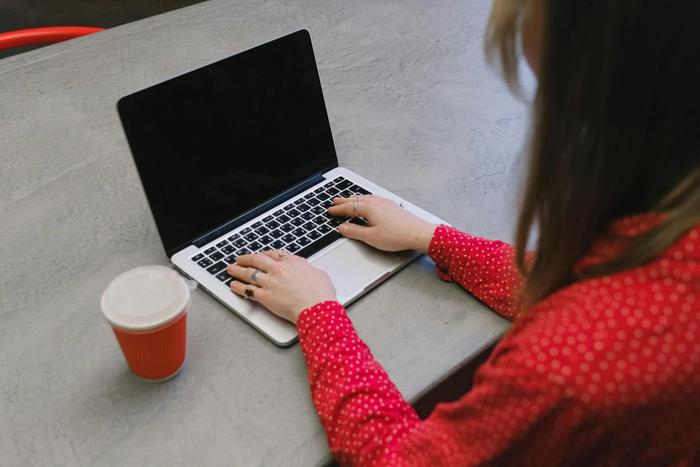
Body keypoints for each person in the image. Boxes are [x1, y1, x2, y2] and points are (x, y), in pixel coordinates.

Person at [226, 0, 700, 465]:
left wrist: (317, 313)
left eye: (546, 90)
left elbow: (394, 460)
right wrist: (430, 237)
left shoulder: (564, 375)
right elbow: (574, 281)